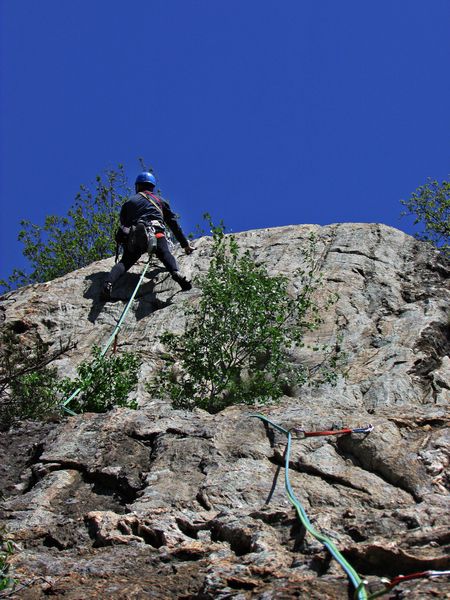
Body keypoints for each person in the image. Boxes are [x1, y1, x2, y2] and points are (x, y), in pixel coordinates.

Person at [101, 172, 194, 301]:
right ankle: (175, 272)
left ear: (138, 186)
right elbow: (174, 225)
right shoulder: (160, 201)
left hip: (135, 235)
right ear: (152, 187)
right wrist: (185, 245)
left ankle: (108, 283)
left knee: (125, 262)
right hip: (157, 232)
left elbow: (124, 225)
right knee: (165, 253)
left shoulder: (130, 202)